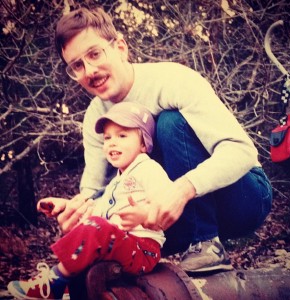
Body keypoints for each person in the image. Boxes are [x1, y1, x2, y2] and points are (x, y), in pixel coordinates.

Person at [52, 6, 272, 273]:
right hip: (172, 218)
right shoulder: (95, 117)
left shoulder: (172, 80)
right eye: (77, 65)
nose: (89, 70)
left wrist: (182, 189)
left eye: (95, 54)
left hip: (243, 199)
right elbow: (95, 189)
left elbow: (241, 151)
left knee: (169, 123)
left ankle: (206, 243)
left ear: (120, 47)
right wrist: (79, 214)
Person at [8, 102, 172, 299]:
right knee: (90, 224)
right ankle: (72, 283)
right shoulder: (115, 182)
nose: (112, 142)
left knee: (98, 227)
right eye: (107, 137)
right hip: (120, 243)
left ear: (144, 143)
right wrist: (66, 205)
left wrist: (145, 213)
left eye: (122, 136)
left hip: (143, 248)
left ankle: (55, 281)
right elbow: (97, 212)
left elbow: (168, 201)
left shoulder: (149, 169)